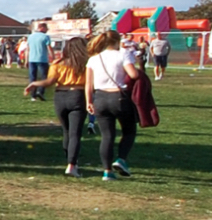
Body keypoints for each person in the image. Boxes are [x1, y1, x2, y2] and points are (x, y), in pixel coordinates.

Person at [26, 37, 90, 177]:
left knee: (66, 131)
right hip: (78, 95)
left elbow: (50, 81)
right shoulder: (86, 65)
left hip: (60, 96)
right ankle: (72, 164)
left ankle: (69, 159)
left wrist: (35, 84)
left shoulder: (58, 64)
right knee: (75, 133)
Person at [86, 30, 142, 181]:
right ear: (118, 41)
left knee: (107, 136)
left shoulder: (94, 58)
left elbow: (88, 84)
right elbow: (134, 75)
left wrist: (88, 102)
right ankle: (121, 159)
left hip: (100, 97)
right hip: (119, 96)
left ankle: (107, 171)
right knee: (129, 131)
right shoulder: (123, 54)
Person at [26, 22, 52, 101]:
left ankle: (33, 95)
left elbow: (27, 49)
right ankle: (40, 92)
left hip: (32, 59)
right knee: (44, 76)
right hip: (42, 59)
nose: (47, 30)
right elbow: (49, 48)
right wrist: (53, 58)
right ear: (42, 28)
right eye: (46, 28)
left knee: (32, 77)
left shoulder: (30, 37)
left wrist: (26, 59)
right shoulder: (45, 37)